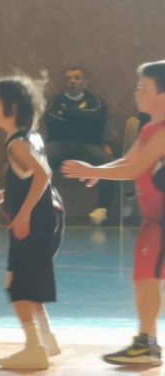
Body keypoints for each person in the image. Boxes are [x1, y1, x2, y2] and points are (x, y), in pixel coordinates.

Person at [62, 60, 165, 367]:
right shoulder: (149, 129)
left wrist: (94, 170)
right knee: (145, 278)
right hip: (153, 220)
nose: (136, 92)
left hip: (161, 220)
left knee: (148, 278)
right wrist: (98, 172)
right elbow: (127, 161)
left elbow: (135, 169)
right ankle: (147, 342)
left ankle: (147, 344)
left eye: (143, 88)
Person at [0, 75, 65, 370]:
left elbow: (43, 175)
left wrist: (24, 213)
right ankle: (47, 339)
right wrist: (4, 196)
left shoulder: (16, 144)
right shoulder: (32, 137)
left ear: (13, 107)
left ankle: (33, 348)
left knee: (17, 284)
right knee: (32, 279)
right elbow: (32, 180)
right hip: (51, 215)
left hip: (37, 219)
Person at [44, 66, 114, 224]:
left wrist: (68, 114)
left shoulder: (94, 101)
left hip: (88, 145)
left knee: (107, 163)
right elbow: (51, 121)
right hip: (59, 144)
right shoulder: (56, 101)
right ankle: (42, 206)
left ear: (86, 82)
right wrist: (81, 120)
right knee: (39, 161)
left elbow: (97, 120)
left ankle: (101, 209)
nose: (72, 81)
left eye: (77, 77)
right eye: (68, 79)